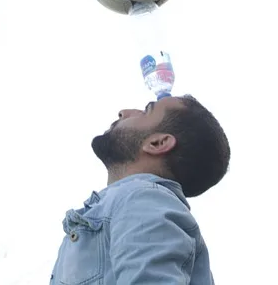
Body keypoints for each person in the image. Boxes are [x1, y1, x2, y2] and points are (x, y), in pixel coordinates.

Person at [49, 94, 230, 284]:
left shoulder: (144, 199)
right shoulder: (135, 201)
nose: (124, 112)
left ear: (157, 143)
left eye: (146, 111)